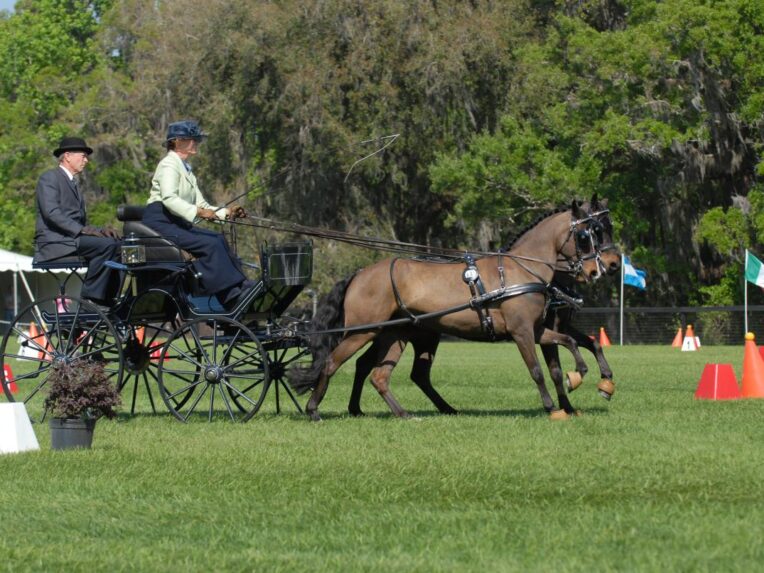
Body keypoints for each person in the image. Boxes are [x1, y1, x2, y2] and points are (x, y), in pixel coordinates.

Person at [142, 120, 251, 309]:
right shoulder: (169, 165)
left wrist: (227, 212)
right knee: (210, 244)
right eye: (192, 140)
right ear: (177, 142)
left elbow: (201, 204)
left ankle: (240, 286)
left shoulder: (187, 170)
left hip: (176, 220)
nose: (196, 143)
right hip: (160, 221)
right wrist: (198, 212)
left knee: (217, 238)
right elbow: (169, 198)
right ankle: (229, 296)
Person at [34, 136, 121, 307]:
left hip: (71, 239)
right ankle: (90, 299)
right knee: (107, 246)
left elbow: (79, 223)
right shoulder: (49, 178)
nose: (86, 160)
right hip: (54, 243)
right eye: (83, 156)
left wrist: (100, 230)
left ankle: (108, 297)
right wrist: (84, 231)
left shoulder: (73, 183)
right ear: (67, 155)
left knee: (120, 245)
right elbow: (52, 213)